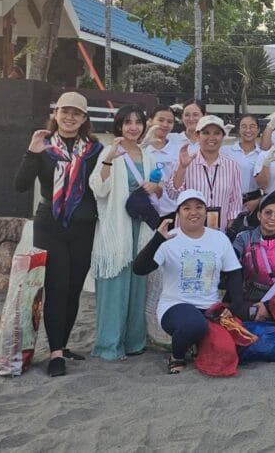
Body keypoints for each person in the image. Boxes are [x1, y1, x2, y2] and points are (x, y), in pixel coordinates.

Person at [14, 92, 103, 376]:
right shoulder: (43, 146)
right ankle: (54, 353)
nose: (70, 117)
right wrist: (31, 153)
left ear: (84, 118)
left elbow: (99, 189)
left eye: (76, 113)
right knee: (56, 287)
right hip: (49, 225)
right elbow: (20, 185)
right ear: (56, 113)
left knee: (73, 288)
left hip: (83, 226)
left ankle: (62, 345)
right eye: (65, 111)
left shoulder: (94, 150)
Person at [132, 190, 246, 374]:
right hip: (176, 305)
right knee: (193, 324)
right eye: (187, 208)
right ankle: (176, 356)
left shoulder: (219, 238)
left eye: (199, 207)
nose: (194, 212)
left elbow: (234, 273)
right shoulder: (169, 239)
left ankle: (196, 344)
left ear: (206, 211)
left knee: (229, 350)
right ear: (178, 213)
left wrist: (233, 306)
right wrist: (157, 240)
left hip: (209, 308)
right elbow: (139, 269)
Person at [88, 105, 159, 360]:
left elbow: (155, 190)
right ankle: (109, 345)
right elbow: (99, 188)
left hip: (140, 228)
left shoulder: (146, 154)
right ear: (119, 125)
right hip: (116, 226)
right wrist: (108, 160)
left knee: (138, 284)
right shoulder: (110, 151)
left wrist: (155, 187)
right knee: (114, 285)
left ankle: (134, 342)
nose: (133, 127)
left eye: (138, 122)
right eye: (127, 122)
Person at [231, 190, 275, 322]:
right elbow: (230, 263)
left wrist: (268, 306)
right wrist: (230, 235)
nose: (273, 217)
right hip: (252, 292)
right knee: (240, 311)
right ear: (259, 215)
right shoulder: (244, 238)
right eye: (268, 212)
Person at [165, 115, 242, 232]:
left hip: (219, 231)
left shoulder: (232, 165)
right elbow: (173, 194)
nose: (211, 137)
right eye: (206, 133)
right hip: (187, 230)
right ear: (197, 135)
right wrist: (182, 167)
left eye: (216, 133)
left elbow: (235, 200)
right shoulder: (185, 161)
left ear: (223, 137)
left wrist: (231, 227)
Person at [142, 105, 181, 218]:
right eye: (160, 120)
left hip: (171, 211)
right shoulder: (140, 148)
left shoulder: (178, 150)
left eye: (169, 121)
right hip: (145, 211)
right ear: (150, 121)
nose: (165, 125)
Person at [222, 114, 264, 213]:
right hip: (229, 199)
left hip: (254, 200)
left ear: (258, 130)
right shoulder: (226, 151)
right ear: (239, 130)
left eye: (252, 126)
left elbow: (269, 184)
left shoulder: (263, 155)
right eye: (244, 126)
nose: (248, 130)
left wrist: (258, 201)